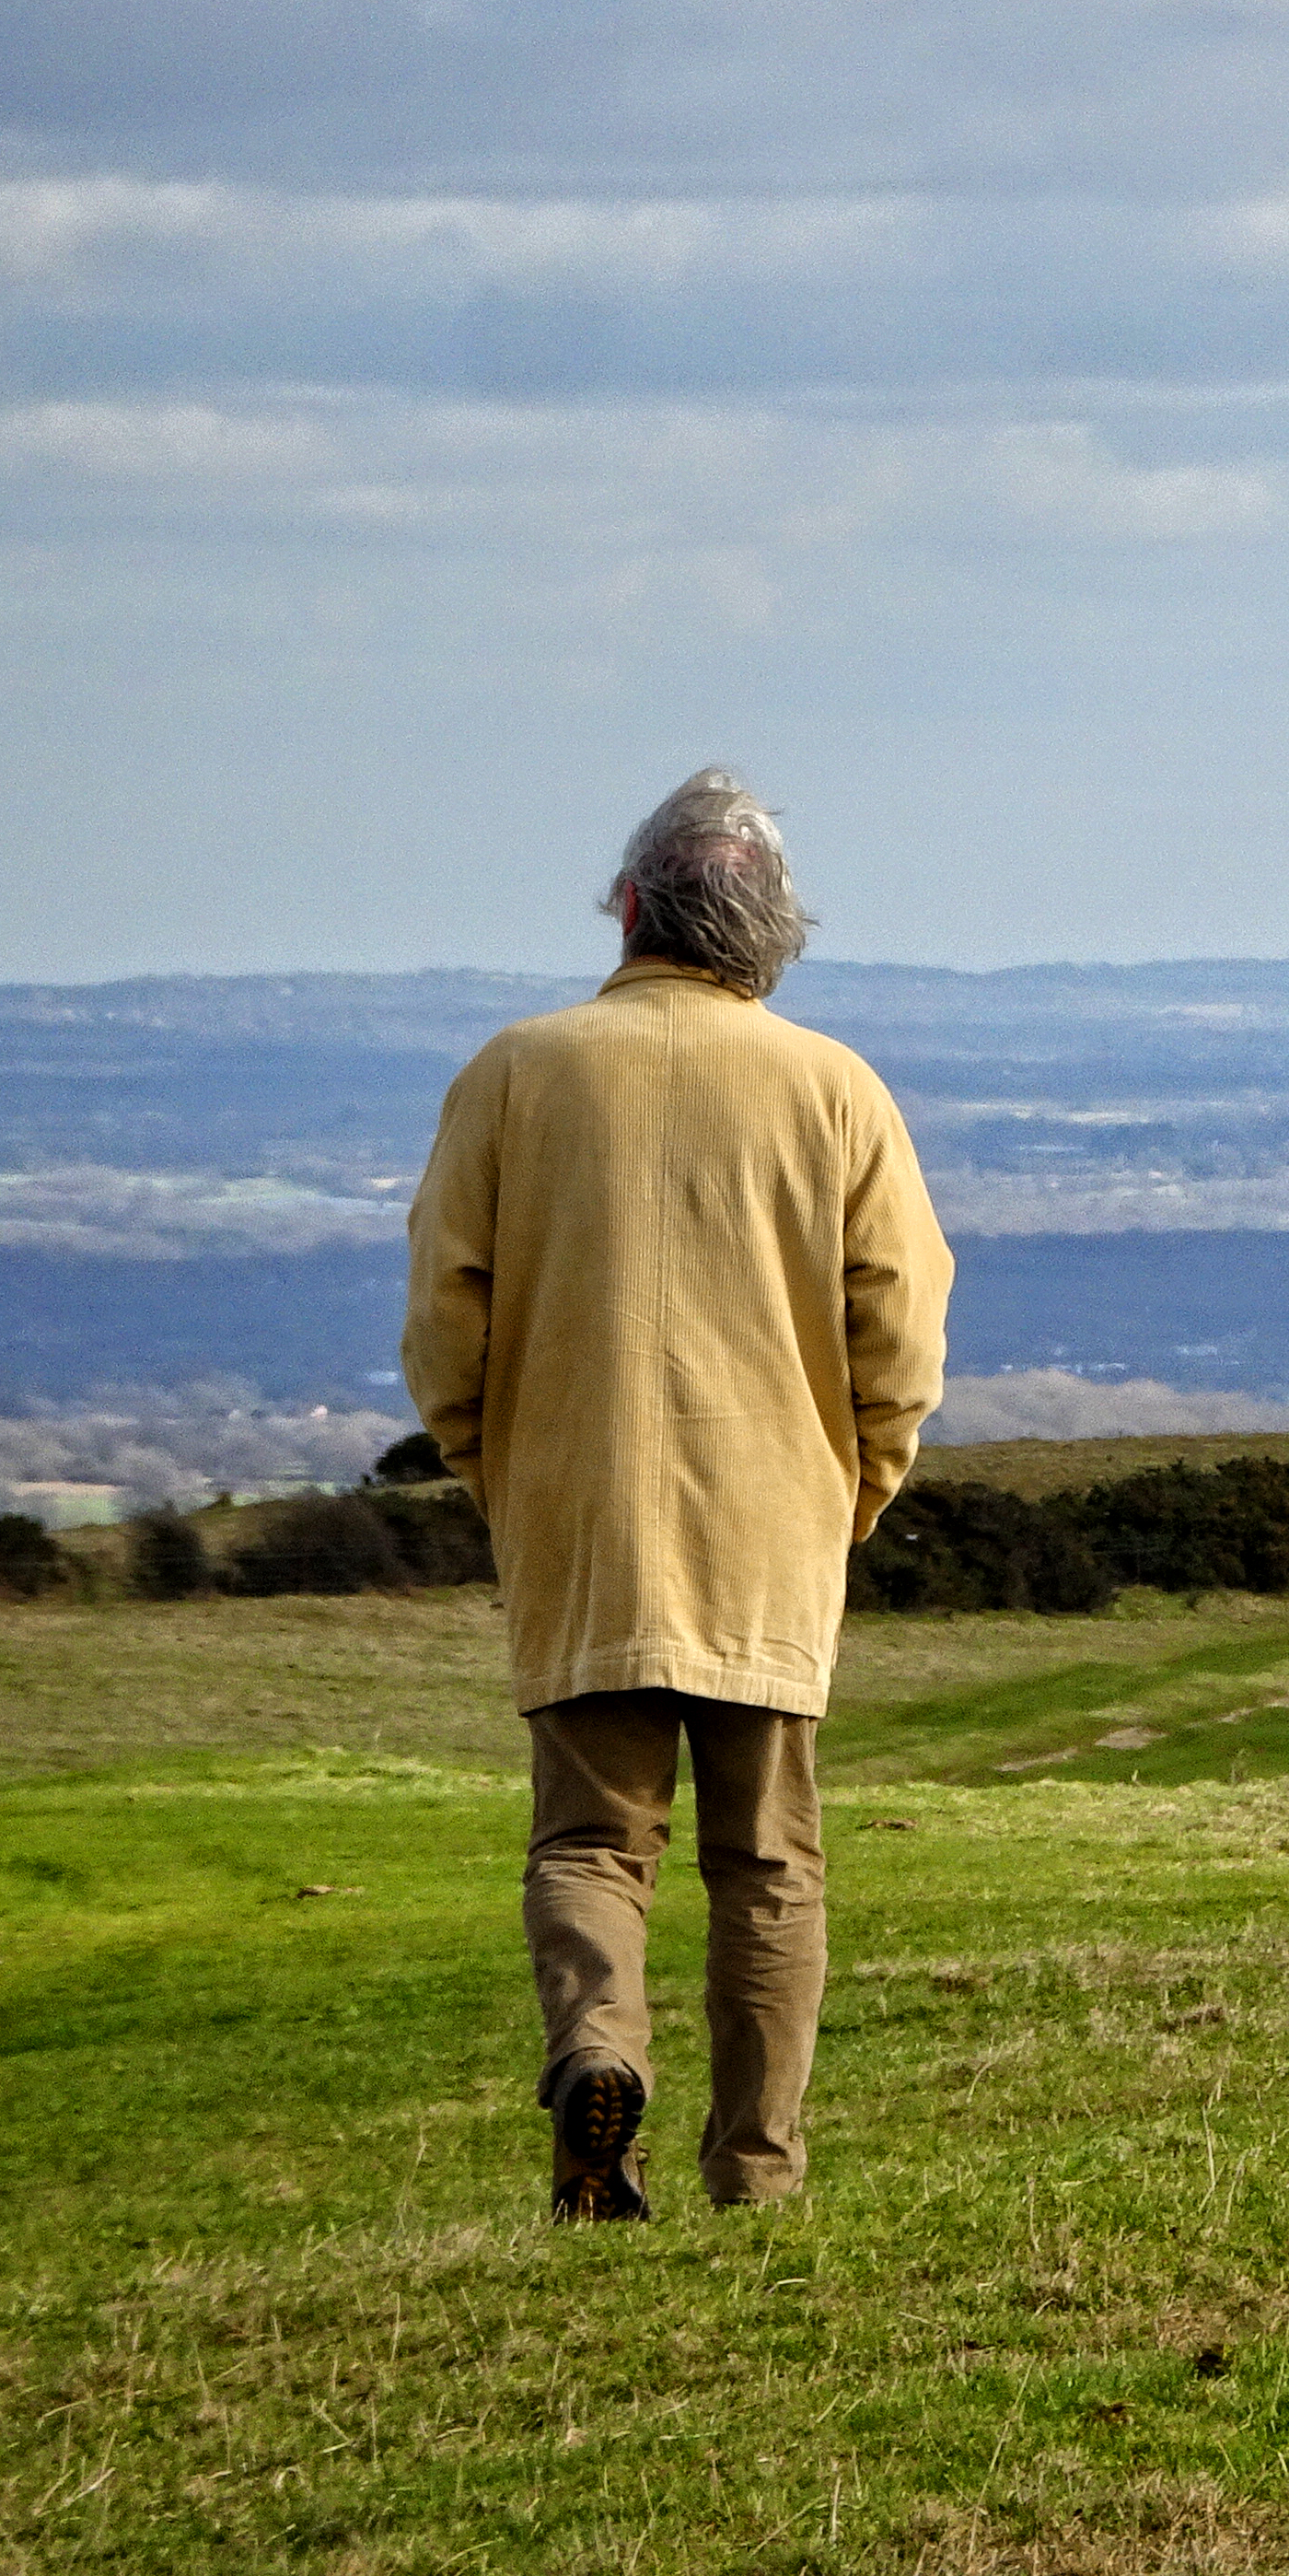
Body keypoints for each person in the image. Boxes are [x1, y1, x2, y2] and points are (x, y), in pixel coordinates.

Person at [401, 771, 952, 2221]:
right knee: (767, 1864)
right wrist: (858, 1487)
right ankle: (756, 2175)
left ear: (632, 906)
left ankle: (599, 2056)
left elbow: (443, 1318)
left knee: (590, 1843)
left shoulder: (518, 1071)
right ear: (772, 935)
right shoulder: (836, 1088)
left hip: (579, 1513)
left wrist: (497, 1468)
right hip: (776, 1518)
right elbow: (898, 1327)